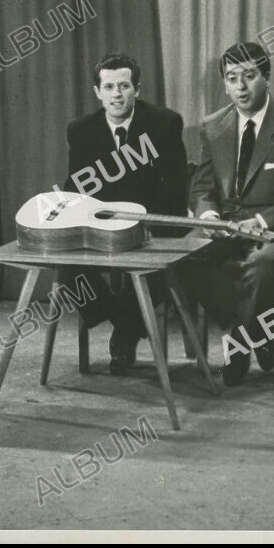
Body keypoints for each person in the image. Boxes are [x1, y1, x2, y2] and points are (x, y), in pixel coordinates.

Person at [187, 42, 274, 386]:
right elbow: (202, 189)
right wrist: (208, 219)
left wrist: (261, 221)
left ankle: (238, 345)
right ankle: (258, 332)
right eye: (232, 78)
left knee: (262, 265)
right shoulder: (212, 126)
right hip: (228, 227)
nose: (241, 86)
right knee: (185, 257)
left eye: (249, 76)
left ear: (266, 77)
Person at [59, 54, 188, 373]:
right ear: (97, 92)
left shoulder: (164, 123)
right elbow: (77, 188)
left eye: (124, 86)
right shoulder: (80, 130)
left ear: (137, 90)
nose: (117, 94)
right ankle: (126, 323)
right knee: (66, 269)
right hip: (102, 228)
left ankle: (124, 337)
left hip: (151, 226)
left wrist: (147, 229)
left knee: (155, 267)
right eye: (109, 86)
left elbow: (175, 190)